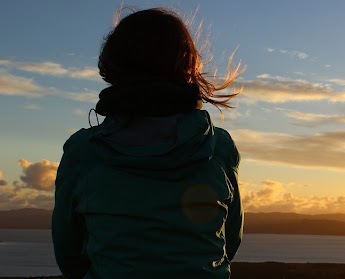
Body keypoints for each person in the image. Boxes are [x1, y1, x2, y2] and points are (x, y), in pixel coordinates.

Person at [52, 8, 243, 279]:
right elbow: (229, 241)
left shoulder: (82, 152)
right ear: (187, 66)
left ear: (113, 65)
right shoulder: (218, 146)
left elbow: (69, 255)